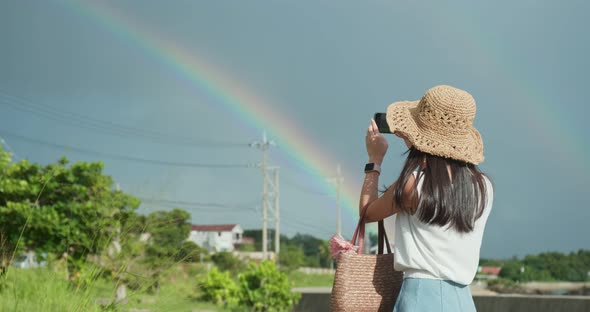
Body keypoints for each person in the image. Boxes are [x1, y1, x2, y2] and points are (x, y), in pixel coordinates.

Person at [360, 85, 493, 311]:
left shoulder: (414, 183)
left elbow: (367, 212)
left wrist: (374, 161)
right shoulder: (483, 186)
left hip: (421, 297)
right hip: (463, 301)